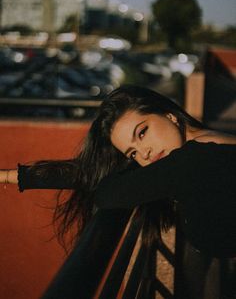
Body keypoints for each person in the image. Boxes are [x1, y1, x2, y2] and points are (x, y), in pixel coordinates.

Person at [1, 85, 236, 298]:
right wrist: (13, 176)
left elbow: (108, 193)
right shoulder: (205, 146)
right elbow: (96, 175)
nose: (144, 153)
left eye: (142, 132)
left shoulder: (193, 159)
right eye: (132, 153)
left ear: (169, 115)